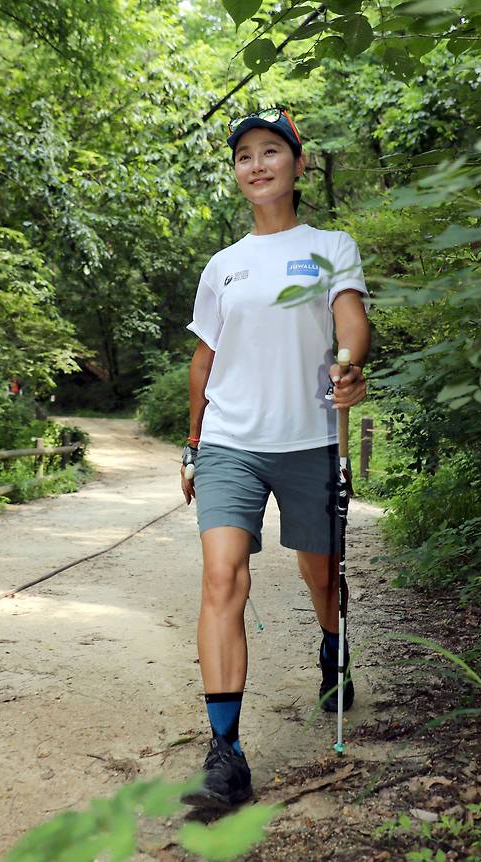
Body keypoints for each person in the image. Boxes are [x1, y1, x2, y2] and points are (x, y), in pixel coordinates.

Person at [180, 106, 370, 810]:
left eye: (269, 151)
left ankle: (333, 646)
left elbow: (350, 318)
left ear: (297, 162)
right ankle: (225, 755)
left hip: (310, 439)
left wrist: (349, 362)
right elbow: (203, 364)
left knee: (323, 580)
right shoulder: (222, 267)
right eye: (243, 156)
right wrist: (193, 443)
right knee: (221, 577)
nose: (255, 164)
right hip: (231, 443)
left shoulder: (330, 245)